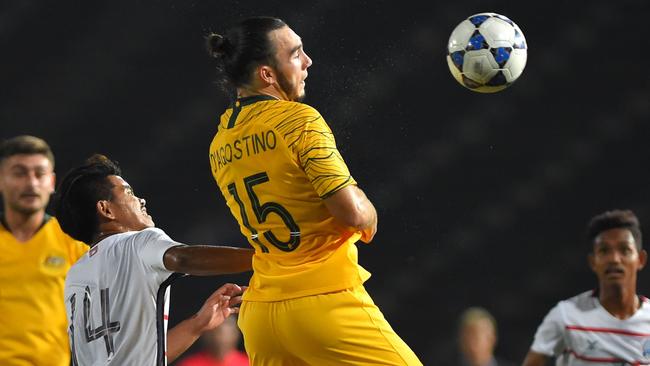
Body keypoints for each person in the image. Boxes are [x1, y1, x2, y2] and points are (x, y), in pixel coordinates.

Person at [206, 16, 422, 365]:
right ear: (267, 74)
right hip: (323, 305)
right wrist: (369, 211)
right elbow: (352, 213)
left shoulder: (220, 143)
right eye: (295, 54)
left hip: (262, 317)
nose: (307, 61)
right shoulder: (299, 120)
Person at [54, 154, 254, 365]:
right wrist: (264, 257)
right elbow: (182, 258)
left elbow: (136, 357)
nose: (141, 200)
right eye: (128, 192)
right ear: (106, 209)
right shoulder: (138, 242)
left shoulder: (75, 274)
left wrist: (197, 323)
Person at [0, 135, 88, 366]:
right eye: (19, 173)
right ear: (1, 179)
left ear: (51, 182)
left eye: (39, 174)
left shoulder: (74, 242)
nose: (31, 183)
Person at [523, 209, 650, 366]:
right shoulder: (566, 316)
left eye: (625, 250)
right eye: (604, 251)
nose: (615, 259)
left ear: (641, 259)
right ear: (593, 262)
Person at [177, 317, 249, 366]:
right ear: (206, 335)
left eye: (226, 333)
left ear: (236, 335)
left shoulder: (250, 363)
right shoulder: (189, 364)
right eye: (217, 333)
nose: (222, 339)